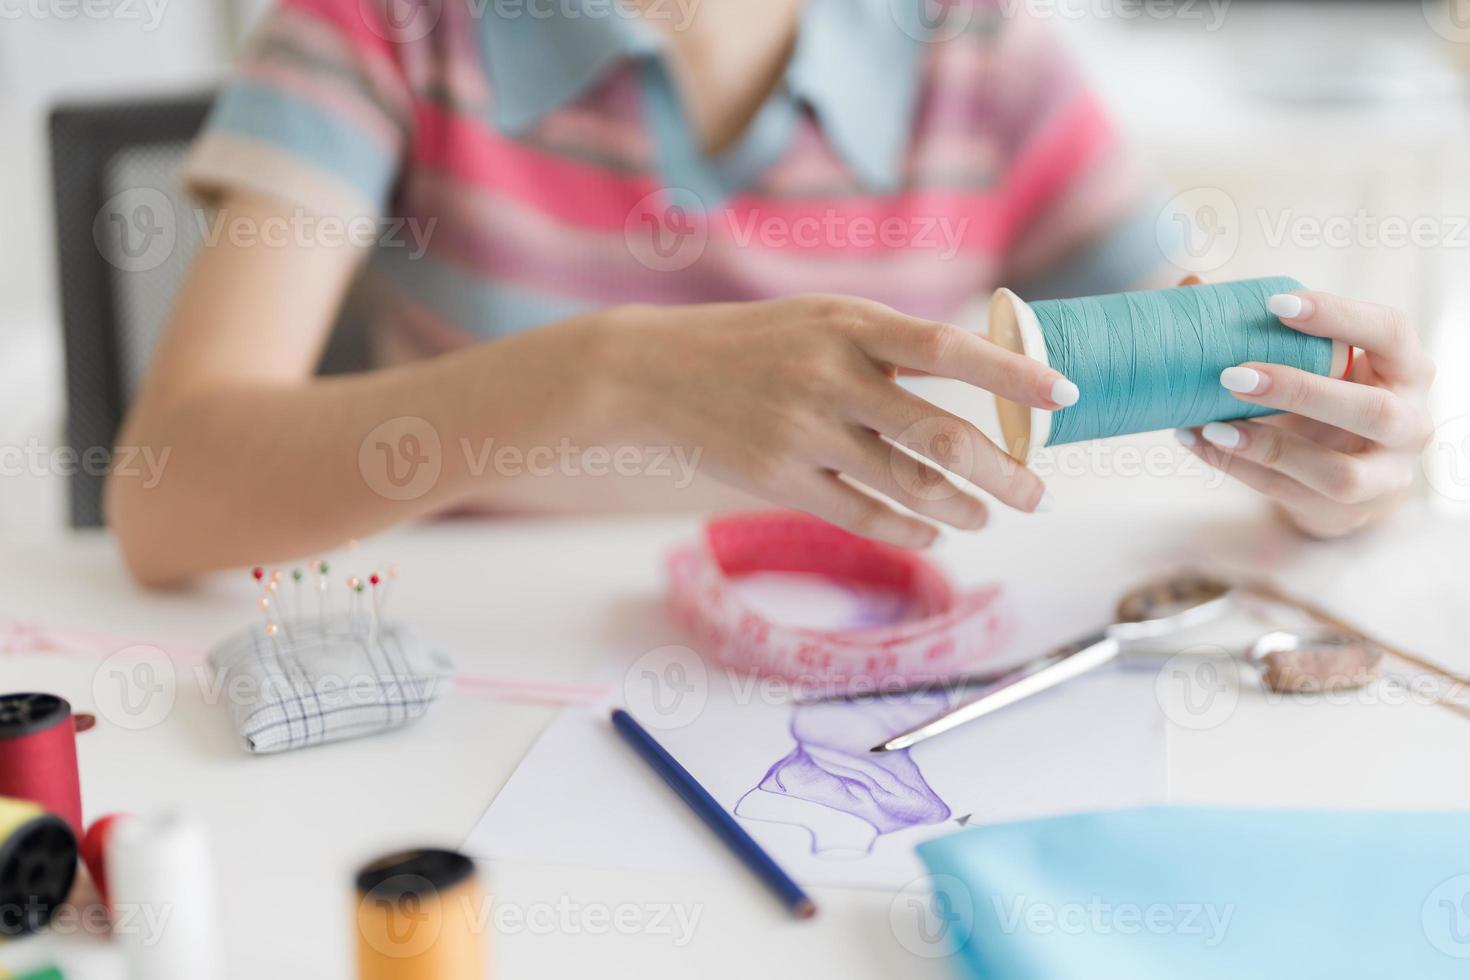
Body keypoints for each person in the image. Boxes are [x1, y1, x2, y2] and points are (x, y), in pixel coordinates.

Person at [106, 0, 1434, 585]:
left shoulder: (969, 42)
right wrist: (605, 371)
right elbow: (165, 499)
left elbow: (1209, 366)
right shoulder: (383, 23)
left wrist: (1338, 467)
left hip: (870, 668)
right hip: (477, 693)